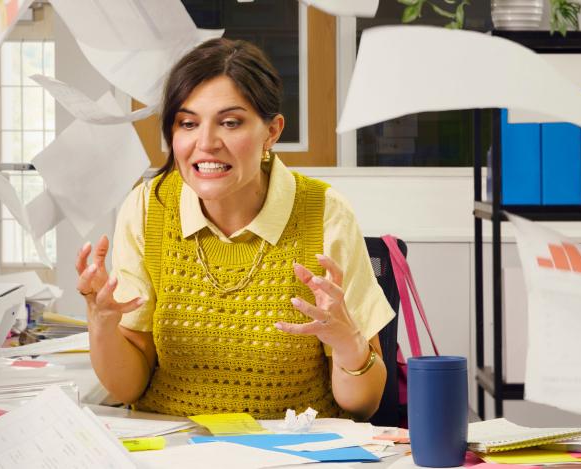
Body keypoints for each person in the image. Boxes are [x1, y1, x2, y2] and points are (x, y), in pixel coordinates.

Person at [74, 38, 394, 421]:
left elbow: (364, 404)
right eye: (188, 123)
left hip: (294, 447)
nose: (206, 143)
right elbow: (127, 388)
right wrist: (102, 324)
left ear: (271, 132)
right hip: (175, 442)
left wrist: (347, 342)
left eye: (230, 123)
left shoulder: (325, 212)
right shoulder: (147, 207)